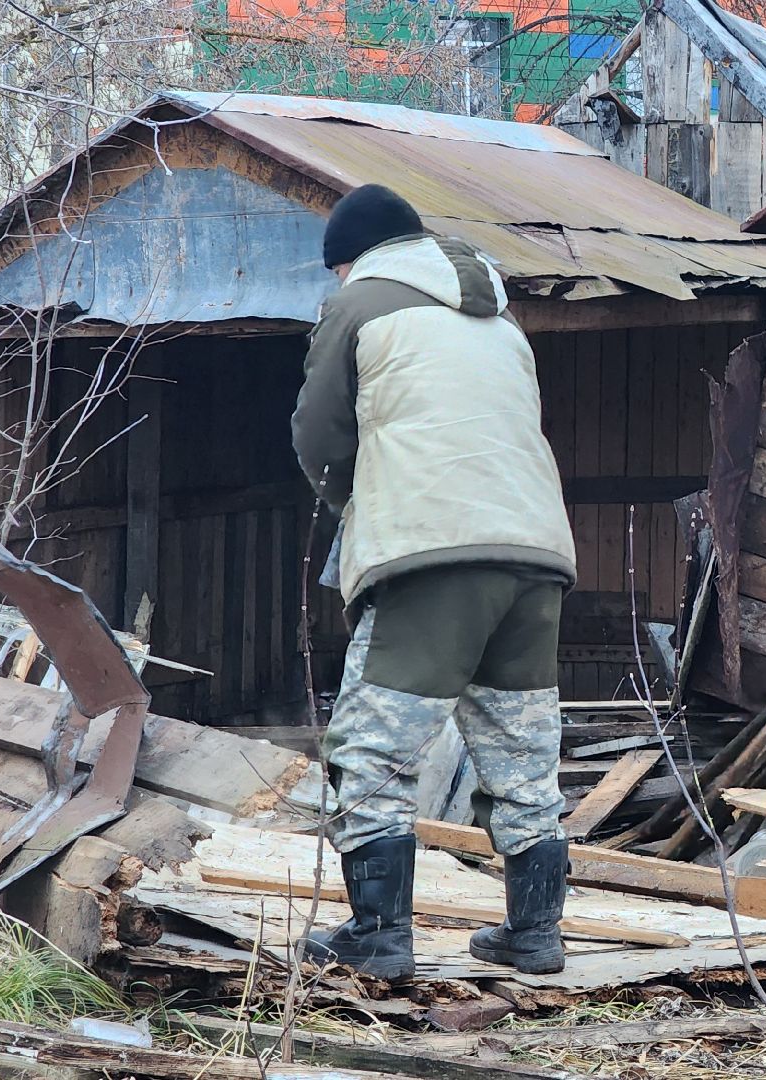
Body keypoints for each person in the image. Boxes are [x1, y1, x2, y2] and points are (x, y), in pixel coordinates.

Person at [290, 184, 577, 979]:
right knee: (523, 750)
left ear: (349, 260)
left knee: (373, 748)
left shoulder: (356, 307)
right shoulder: (501, 319)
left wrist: (358, 505)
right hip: (535, 552)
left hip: (431, 554)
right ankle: (536, 934)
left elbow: (317, 435)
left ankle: (379, 937)